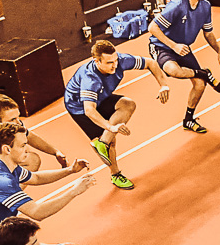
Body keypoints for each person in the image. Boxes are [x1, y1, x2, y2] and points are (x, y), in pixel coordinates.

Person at [64, 39, 170, 190]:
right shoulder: (90, 79)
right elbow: (89, 110)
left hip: (100, 97)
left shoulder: (121, 61)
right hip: (79, 108)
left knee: (128, 104)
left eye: (115, 60)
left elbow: (151, 63)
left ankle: (102, 143)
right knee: (112, 140)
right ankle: (115, 174)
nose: (115, 65)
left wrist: (163, 85)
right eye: (109, 63)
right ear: (97, 61)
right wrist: (110, 127)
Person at [148, 0, 220, 133]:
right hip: (162, 45)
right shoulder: (177, 6)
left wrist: (219, 51)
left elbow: (208, 32)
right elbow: (152, 27)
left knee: (199, 84)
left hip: (182, 47)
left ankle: (188, 120)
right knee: (172, 70)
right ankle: (204, 73)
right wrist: (173, 45)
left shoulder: (205, 6)